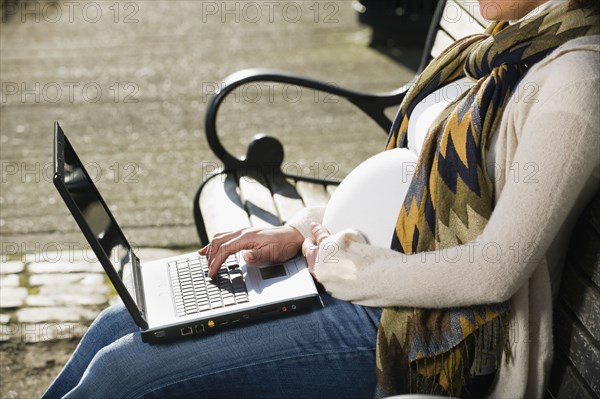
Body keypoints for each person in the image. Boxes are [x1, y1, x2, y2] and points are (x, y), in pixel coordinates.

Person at [43, 0, 599, 398]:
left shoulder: (576, 82)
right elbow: (408, 187)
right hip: (358, 280)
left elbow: (495, 272)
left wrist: (343, 269)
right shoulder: (509, 43)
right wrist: (303, 231)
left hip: (420, 332)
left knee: (127, 374)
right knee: (118, 322)